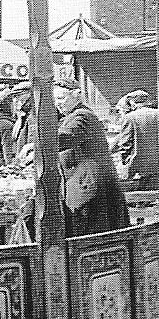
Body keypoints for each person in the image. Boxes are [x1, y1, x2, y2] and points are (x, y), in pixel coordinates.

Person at [54, 79, 129, 236]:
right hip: (86, 185)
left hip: (92, 189)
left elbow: (67, 137)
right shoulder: (72, 116)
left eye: (61, 98)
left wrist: (41, 135)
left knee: (94, 235)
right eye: (56, 99)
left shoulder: (83, 116)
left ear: (77, 95)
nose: (58, 103)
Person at [116, 89, 159, 191]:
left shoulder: (130, 118)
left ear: (133, 103)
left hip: (137, 169)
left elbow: (125, 145)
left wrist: (127, 162)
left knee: (139, 200)